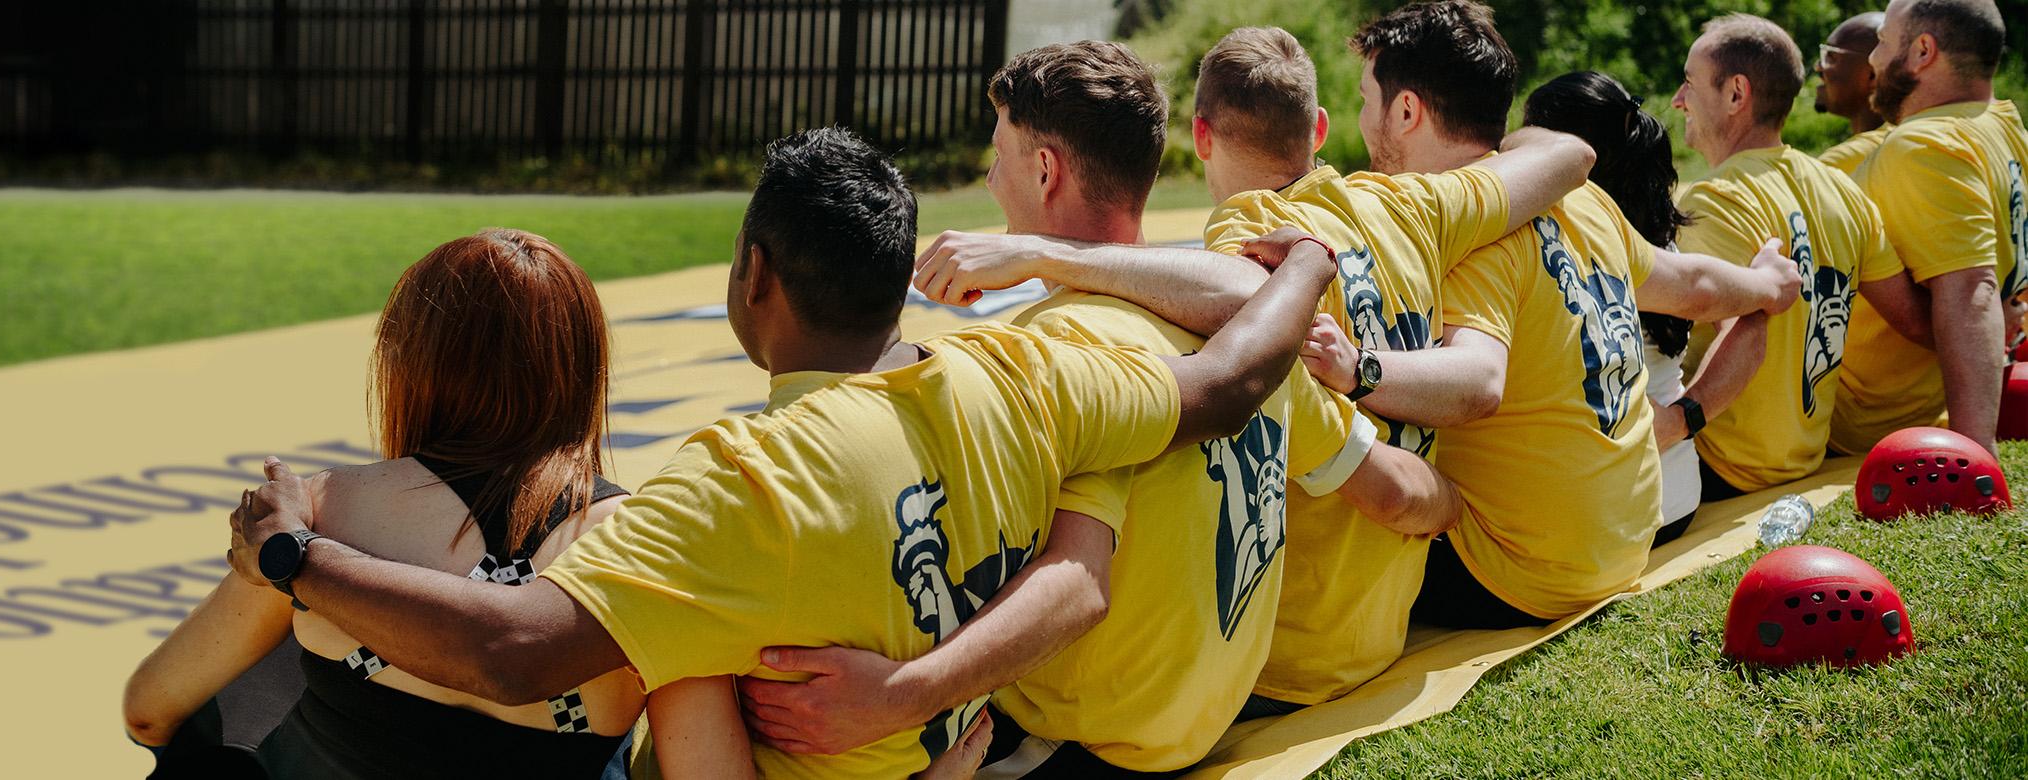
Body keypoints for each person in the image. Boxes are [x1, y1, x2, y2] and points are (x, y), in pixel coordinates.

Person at [228, 127, 1349, 777]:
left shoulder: (742, 480)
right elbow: (1226, 383)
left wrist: (295, 560)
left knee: (668, 643)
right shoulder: (1019, 375)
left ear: (753, 274)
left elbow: (515, 653)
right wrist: (1302, 265)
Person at [726, 40, 1494, 777]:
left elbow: (1067, 587)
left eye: (1000, 156)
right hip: (1208, 714)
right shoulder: (1250, 330)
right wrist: (1466, 505)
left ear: (1047, 169)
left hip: (1088, 739)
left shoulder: (1050, 352)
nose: (993, 180)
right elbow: (1391, 487)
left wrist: (901, 695)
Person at [884, 20, 1596, 716]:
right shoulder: (1404, 204)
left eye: (998, 153)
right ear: (1317, 131)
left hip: (1284, 662)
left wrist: (1043, 255)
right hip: (1382, 622)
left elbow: (1254, 304)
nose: (987, 173)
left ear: (1201, 139)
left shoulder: (1243, 240)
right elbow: (1570, 154)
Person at [1309, 0, 1798, 630]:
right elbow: (1694, 286)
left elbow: (1477, 383)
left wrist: (1358, 370)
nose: (1360, 117)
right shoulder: (1582, 198)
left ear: (1407, 111)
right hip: (1624, 546)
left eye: (1366, 98)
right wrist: (1764, 284)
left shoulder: (1463, 237)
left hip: (1518, 577)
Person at [121, 229, 655, 778]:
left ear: (412, 361)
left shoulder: (323, 509)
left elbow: (149, 712)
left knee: (260, 681)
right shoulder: (640, 540)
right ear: (584, 365)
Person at [1668, 15, 1934, 502]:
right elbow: (1915, 320)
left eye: (1688, 82)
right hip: (1805, 460)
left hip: (1720, 467)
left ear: (1735, 94)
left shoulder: (1715, 199)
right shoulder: (1842, 190)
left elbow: (1739, 337)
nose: (1678, 100)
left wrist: (1673, 425)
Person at [1525, 70, 1772, 543]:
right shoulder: (1663, 239)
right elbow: (1749, 320)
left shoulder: (1564, 248)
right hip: (1678, 502)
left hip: (1605, 524)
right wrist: (1686, 418)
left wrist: (1680, 419)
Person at [1830, 0, 2026, 454]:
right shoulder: (2003, 124)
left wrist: (1975, 452)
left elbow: (1972, 290)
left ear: (1922, 51)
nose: (1874, 61)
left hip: (1849, 418)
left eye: (1882, 42)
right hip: (1909, 407)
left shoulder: (1923, 144)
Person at [1814, 12, 1894, 174]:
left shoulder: (1836, 166)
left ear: (1872, 75)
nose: (1818, 67)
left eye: (1831, 57)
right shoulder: (1915, 140)